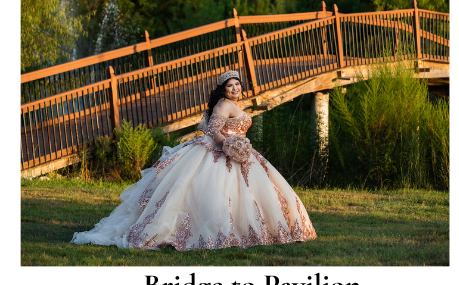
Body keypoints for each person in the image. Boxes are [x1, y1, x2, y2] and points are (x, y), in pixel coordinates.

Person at [71, 71, 317, 251]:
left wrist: (239, 146)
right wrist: (230, 146)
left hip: (240, 151)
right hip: (223, 151)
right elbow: (212, 129)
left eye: (238, 84)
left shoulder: (233, 104)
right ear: (223, 89)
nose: (235, 88)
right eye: (230, 85)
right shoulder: (223, 104)